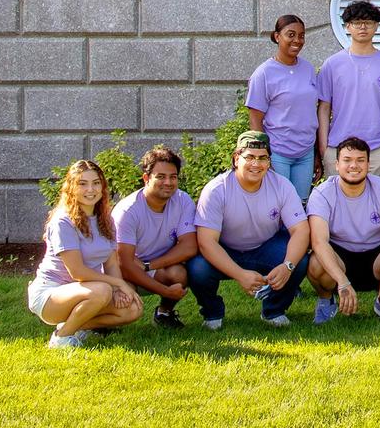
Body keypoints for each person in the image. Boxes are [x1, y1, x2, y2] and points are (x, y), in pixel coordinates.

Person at [187, 131, 311, 329]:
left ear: (269, 162)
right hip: (225, 249)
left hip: (265, 246)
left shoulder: (282, 186)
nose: (256, 164)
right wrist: (240, 274)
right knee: (197, 268)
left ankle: (273, 311)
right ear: (236, 159)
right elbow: (206, 242)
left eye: (263, 158)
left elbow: (301, 231)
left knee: (300, 260)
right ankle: (212, 314)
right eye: (250, 157)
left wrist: (287, 266)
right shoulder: (216, 189)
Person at [32, 160, 142, 348]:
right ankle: (61, 338)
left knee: (132, 309)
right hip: (51, 295)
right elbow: (78, 272)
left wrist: (118, 292)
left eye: (96, 183)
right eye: (83, 183)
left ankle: (75, 324)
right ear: (71, 188)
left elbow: (111, 264)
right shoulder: (63, 221)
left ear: (103, 187)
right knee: (102, 290)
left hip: (87, 291)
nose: (90, 189)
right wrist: (118, 284)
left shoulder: (105, 220)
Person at [304, 137, 380, 323]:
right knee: (315, 263)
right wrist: (342, 281)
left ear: (368, 164)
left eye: (360, 160)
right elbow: (319, 242)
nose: (354, 165)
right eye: (347, 160)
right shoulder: (322, 193)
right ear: (337, 164)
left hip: (378, 255)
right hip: (340, 256)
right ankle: (326, 300)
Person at [317, 0, 380, 178]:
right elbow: (324, 107)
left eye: (369, 22)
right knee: (338, 203)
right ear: (348, 26)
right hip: (338, 149)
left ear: (376, 26)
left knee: (374, 204)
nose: (363, 27)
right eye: (357, 23)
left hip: (376, 150)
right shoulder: (332, 64)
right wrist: (324, 146)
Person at [112, 146, 197, 329]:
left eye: (173, 177)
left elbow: (189, 246)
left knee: (178, 274)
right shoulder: (128, 211)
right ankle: (103, 323)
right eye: (160, 176)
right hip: (122, 272)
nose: (168, 182)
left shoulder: (183, 201)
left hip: (152, 266)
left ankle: (164, 314)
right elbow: (124, 264)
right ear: (146, 178)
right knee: (127, 302)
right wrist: (166, 291)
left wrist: (150, 266)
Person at [247, 14, 318, 200]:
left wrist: (317, 152)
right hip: (278, 152)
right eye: (291, 34)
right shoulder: (263, 74)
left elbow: (312, 113)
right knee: (278, 204)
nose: (297, 40)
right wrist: (263, 155)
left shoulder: (308, 69)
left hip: (306, 152)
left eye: (301, 36)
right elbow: (255, 119)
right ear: (277, 36)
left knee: (301, 205)